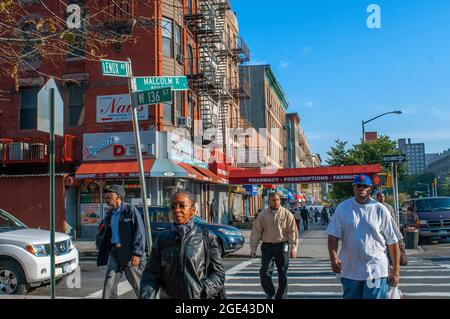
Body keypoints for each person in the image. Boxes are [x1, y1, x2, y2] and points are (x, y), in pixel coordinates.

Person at [326, 174, 403, 299]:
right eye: (358, 186)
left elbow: (392, 241)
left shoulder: (380, 209)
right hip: (350, 269)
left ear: (370, 189)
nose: (361, 188)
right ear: (353, 188)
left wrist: (396, 270)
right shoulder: (343, 208)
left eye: (365, 186)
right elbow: (333, 235)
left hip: (376, 268)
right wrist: (333, 258)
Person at [140, 191, 225, 299]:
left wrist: (202, 292)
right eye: (173, 206)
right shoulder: (163, 238)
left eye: (182, 206)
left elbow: (218, 274)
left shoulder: (207, 237)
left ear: (193, 210)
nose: (176, 210)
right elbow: (150, 274)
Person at [96, 185, 146, 299]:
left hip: (129, 254)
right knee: (109, 283)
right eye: (106, 194)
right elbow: (104, 232)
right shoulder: (109, 214)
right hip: (114, 252)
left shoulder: (130, 211)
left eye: (110, 195)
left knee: (137, 284)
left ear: (119, 197)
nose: (106, 197)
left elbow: (139, 233)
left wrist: (137, 254)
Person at [250, 192, 298, 299]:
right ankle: (270, 292)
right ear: (269, 201)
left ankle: (281, 296)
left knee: (282, 273)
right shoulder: (262, 215)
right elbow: (256, 232)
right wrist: (253, 249)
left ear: (279, 200)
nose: (276, 202)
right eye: (273, 200)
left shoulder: (287, 214)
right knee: (265, 271)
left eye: (277, 200)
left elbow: (292, 232)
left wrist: (293, 248)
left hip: (282, 246)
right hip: (267, 246)